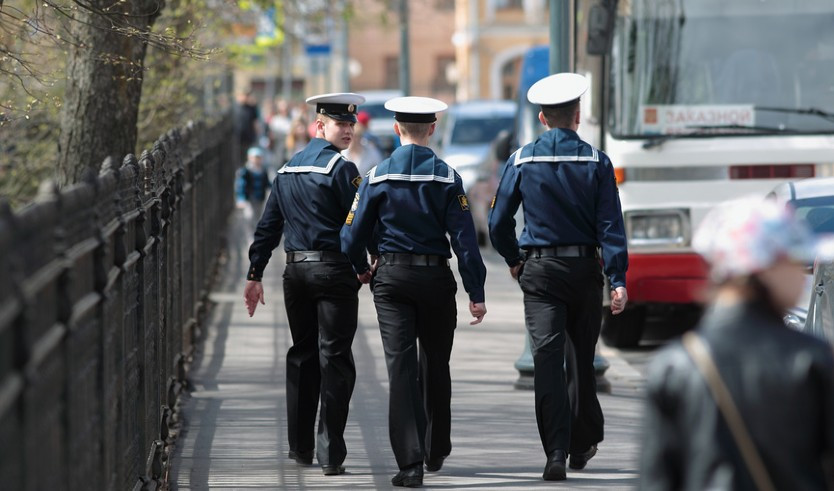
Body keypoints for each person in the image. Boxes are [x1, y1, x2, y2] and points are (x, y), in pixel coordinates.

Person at [487, 72, 628, 481]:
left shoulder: (521, 159)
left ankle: (556, 452)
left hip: (541, 272)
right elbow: (610, 226)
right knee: (582, 358)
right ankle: (584, 442)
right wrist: (617, 278)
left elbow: (497, 223)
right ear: (577, 115)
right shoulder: (598, 161)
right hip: (585, 270)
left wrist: (515, 260)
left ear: (543, 119)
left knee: (547, 360)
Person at [341, 96, 488, 488]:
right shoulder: (448, 177)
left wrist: (361, 268)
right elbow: (465, 240)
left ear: (395, 129)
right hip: (436, 280)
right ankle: (436, 446)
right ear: (433, 130)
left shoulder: (375, 176)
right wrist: (477, 291)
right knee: (436, 364)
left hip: (391, 281)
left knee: (401, 369)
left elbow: (351, 235)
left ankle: (410, 464)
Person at [640, 197, 834, 490]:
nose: (801, 273)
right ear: (764, 269)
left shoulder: (672, 365)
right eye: (794, 260)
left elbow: (656, 480)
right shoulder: (810, 358)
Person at [243, 92, 366, 477]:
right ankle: (330, 453)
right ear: (319, 127)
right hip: (332, 273)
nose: (347, 130)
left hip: (295, 273)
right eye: (339, 124)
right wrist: (365, 265)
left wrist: (254, 273)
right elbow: (357, 225)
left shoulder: (285, 170)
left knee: (301, 355)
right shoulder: (343, 170)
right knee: (335, 359)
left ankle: (300, 447)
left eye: (350, 124)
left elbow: (268, 227)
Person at [235, 146, 271, 229]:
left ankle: (256, 236)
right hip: (249, 199)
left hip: (260, 198)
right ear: (249, 158)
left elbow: (266, 183)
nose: (257, 160)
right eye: (255, 157)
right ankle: (251, 237)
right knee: (249, 217)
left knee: (258, 217)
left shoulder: (263, 170)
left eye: (258, 157)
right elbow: (241, 185)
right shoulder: (245, 171)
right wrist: (241, 198)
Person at [342, 111, 383, 176]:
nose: (355, 139)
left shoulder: (370, 149)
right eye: (352, 135)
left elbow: (379, 171)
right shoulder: (341, 151)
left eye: (359, 135)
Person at [234, 89, 260, 166]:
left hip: (248, 138)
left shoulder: (251, 108)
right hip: (236, 139)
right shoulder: (234, 107)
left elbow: (255, 123)